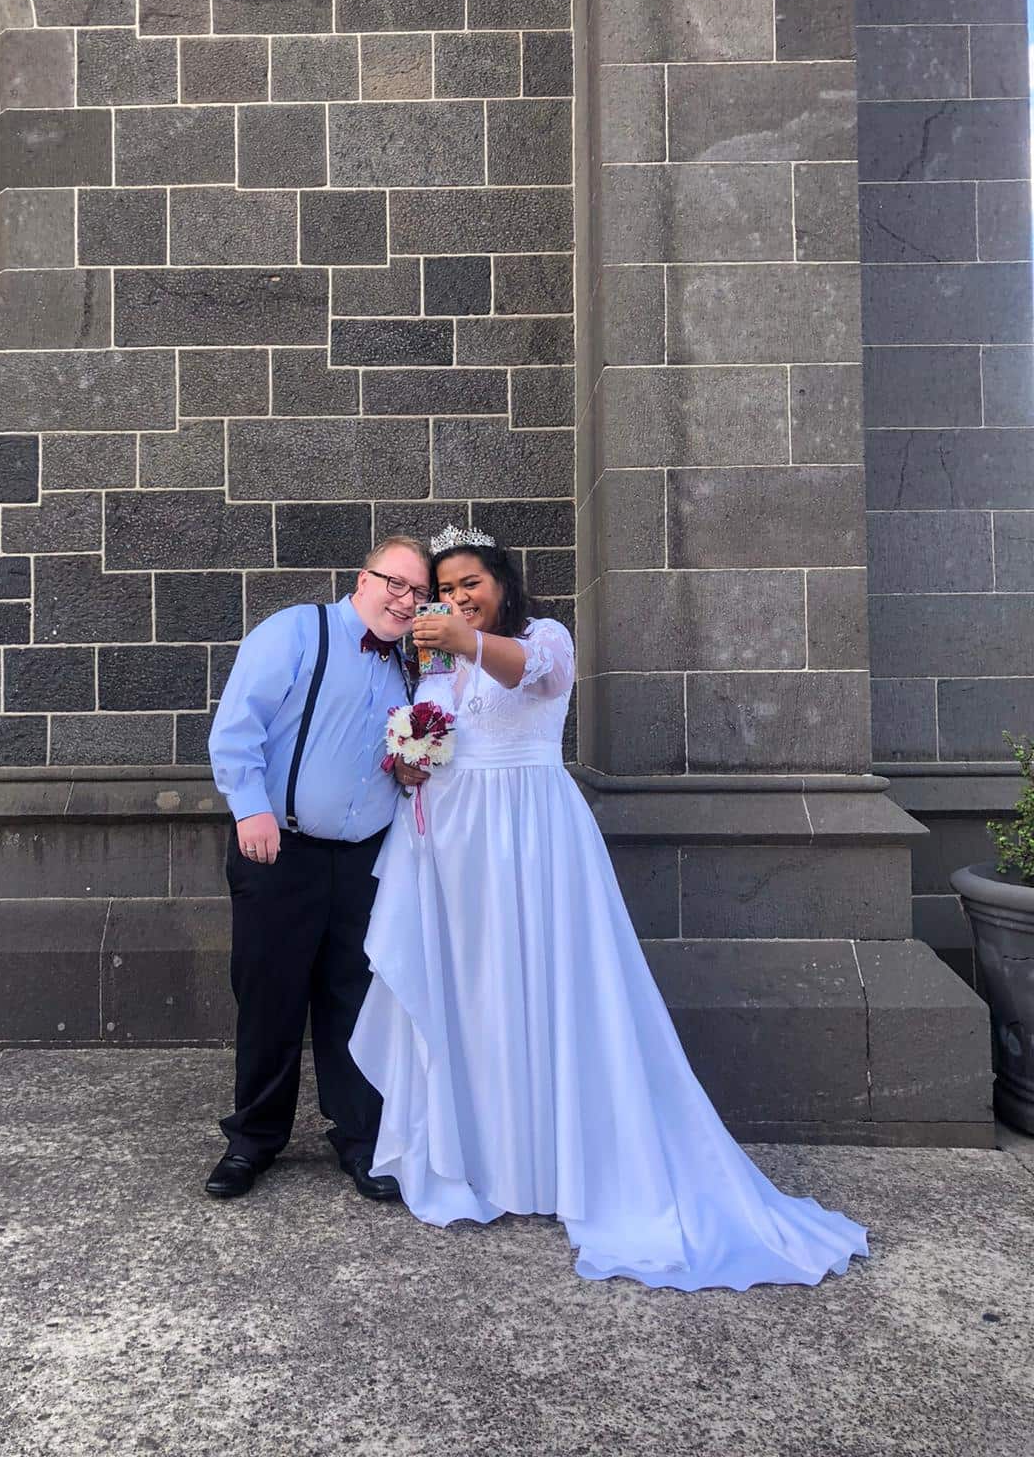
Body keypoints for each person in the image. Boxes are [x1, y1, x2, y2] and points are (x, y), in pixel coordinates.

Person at [350, 526, 870, 1288]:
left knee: (555, 993)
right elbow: (441, 740)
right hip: (455, 856)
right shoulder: (434, 666)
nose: (458, 598)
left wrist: (465, 637)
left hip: (532, 842)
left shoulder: (541, 638)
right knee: (480, 999)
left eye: (471, 583)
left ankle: (570, 1166)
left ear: (501, 580)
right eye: (446, 589)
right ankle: (490, 1162)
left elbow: (535, 678)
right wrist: (411, 760)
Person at [204, 535, 432, 1203]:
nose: (405, 600)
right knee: (269, 998)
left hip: (366, 859)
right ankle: (251, 1142)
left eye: (419, 593)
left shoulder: (411, 669)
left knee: (355, 1004)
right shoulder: (296, 631)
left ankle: (361, 1141)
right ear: (362, 579)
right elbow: (236, 726)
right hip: (282, 851)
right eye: (396, 583)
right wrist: (249, 809)